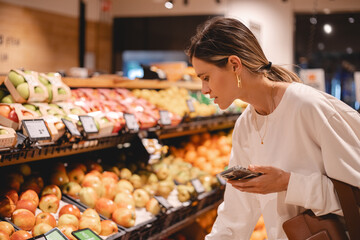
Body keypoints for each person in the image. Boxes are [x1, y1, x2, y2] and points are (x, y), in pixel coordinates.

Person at [186, 17, 360, 239]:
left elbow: (355, 194)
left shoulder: (308, 106)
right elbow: (235, 215)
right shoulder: (245, 126)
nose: (204, 89)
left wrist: (288, 182)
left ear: (234, 65)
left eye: (206, 77)